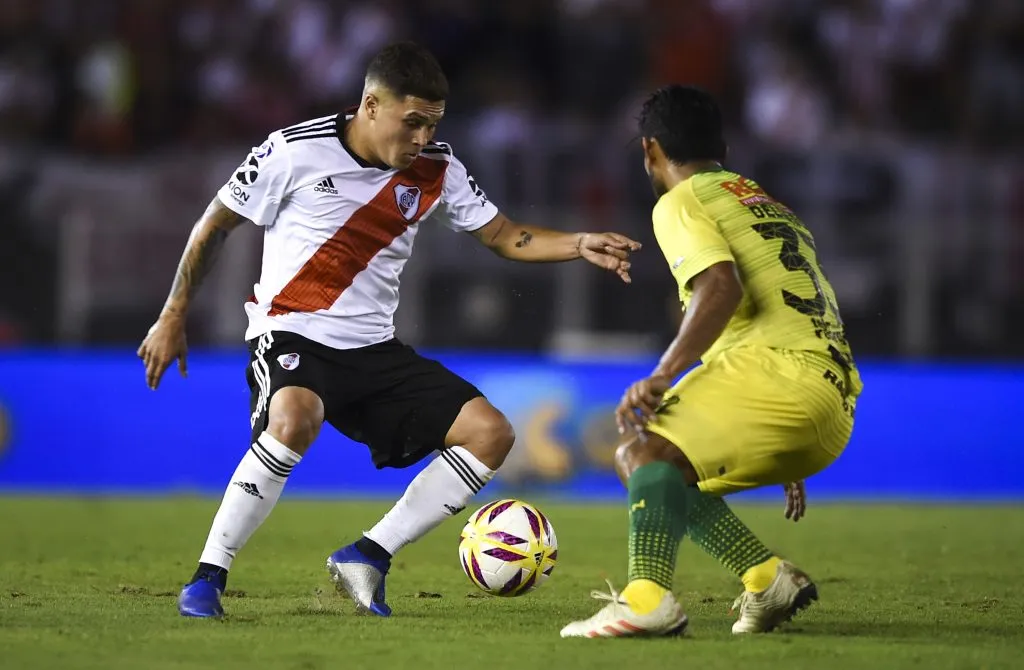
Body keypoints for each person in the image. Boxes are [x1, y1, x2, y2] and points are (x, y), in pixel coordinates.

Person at [137, 42, 640, 619]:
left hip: (374, 350)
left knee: (491, 434)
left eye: (433, 124)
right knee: (294, 418)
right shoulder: (291, 152)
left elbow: (503, 235)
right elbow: (215, 224)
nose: (424, 137)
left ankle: (368, 556)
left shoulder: (439, 170)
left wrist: (579, 243)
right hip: (292, 333)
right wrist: (174, 313)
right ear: (371, 105)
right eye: (414, 122)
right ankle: (208, 577)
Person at [560, 85, 862, 638]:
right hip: (830, 401)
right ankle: (767, 577)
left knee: (638, 447)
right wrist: (786, 432)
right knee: (669, 478)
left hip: (780, 378)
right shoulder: (772, 208)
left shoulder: (683, 199)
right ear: (721, 146)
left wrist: (662, 373)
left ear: (650, 150)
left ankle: (646, 600)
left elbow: (719, 288)